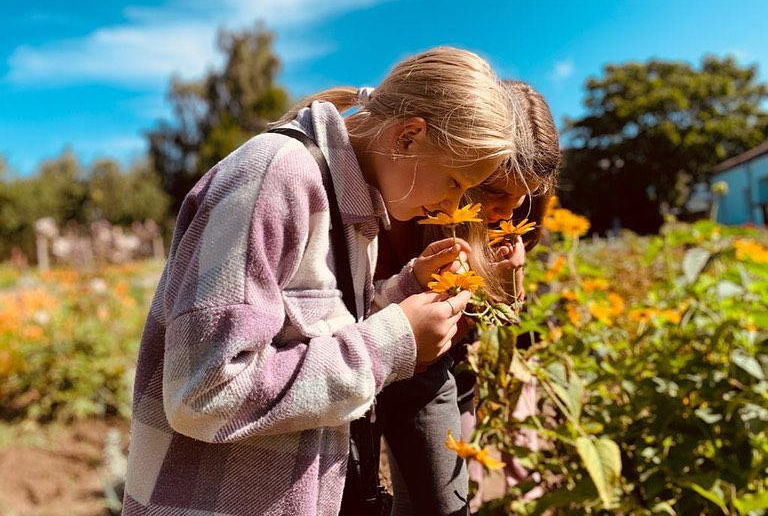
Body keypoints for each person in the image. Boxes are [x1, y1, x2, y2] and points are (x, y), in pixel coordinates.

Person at [121, 47, 532, 516]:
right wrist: (394, 341)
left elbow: (307, 331)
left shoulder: (356, 206)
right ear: (409, 137)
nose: (450, 205)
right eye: (457, 183)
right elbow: (203, 391)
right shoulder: (276, 176)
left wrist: (404, 294)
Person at [373, 80, 560, 515]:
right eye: (495, 192)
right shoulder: (405, 204)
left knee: (477, 484)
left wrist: (509, 279)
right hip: (401, 357)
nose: (509, 214)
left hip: (467, 356)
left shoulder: (519, 209)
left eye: (524, 199)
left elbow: (506, 311)